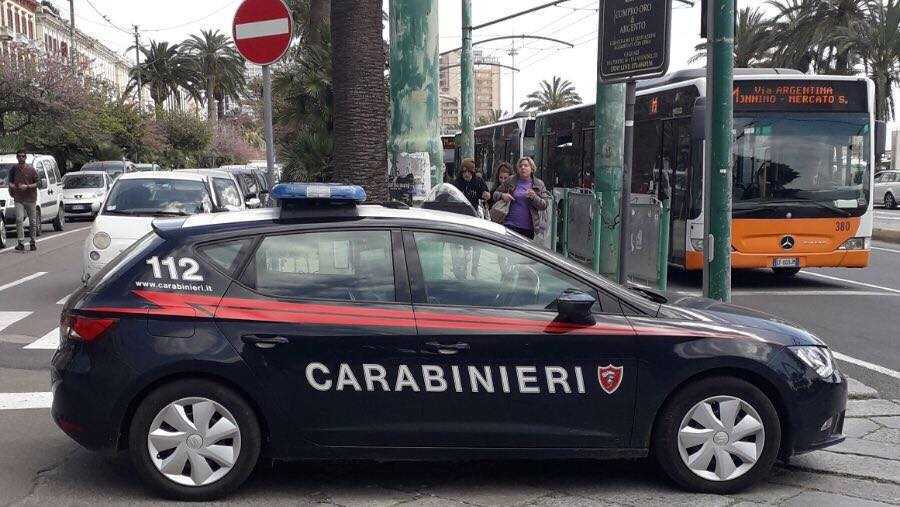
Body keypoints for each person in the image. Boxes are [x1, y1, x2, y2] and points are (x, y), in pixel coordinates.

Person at [493, 157, 549, 240]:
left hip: (528, 228)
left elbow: (544, 205)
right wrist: (503, 196)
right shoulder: (511, 180)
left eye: (526, 165)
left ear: (532, 168)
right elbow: (495, 194)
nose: (523, 168)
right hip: (510, 224)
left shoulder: (539, 184)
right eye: (520, 166)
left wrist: (534, 197)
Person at [8, 149, 39, 252]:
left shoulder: (31, 170)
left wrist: (28, 186)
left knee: (32, 221)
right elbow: (10, 182)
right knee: (19, 219)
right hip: (18, 198)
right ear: (17, 157)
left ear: (25, 158)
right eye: (19, 156)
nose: (21, 158)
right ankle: (21, 242)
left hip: (30, 198)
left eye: (23, 156)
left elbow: (38, 183)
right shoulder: (13, 169)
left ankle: (33, 242)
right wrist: (12, 186)